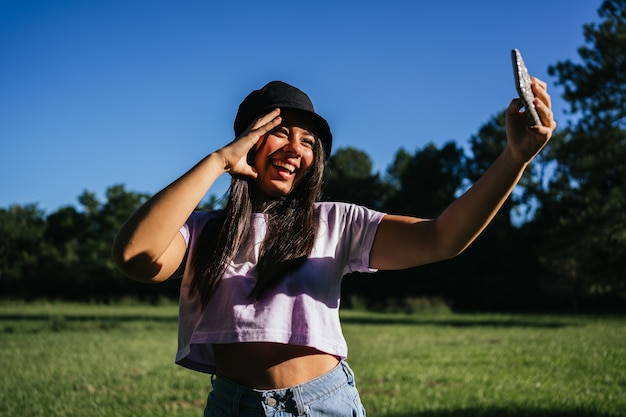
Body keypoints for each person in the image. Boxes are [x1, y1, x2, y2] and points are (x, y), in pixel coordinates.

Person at [112, 79, 556, 416]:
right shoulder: (205, 232)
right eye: (282, 132)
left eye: (309, 142)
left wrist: (514, 157)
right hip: (232, 406)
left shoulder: (334, 221)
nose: (296, 149)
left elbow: (442, 238)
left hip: (321, 404)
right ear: (246, 139)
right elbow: (134, 255)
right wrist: (217, 162)